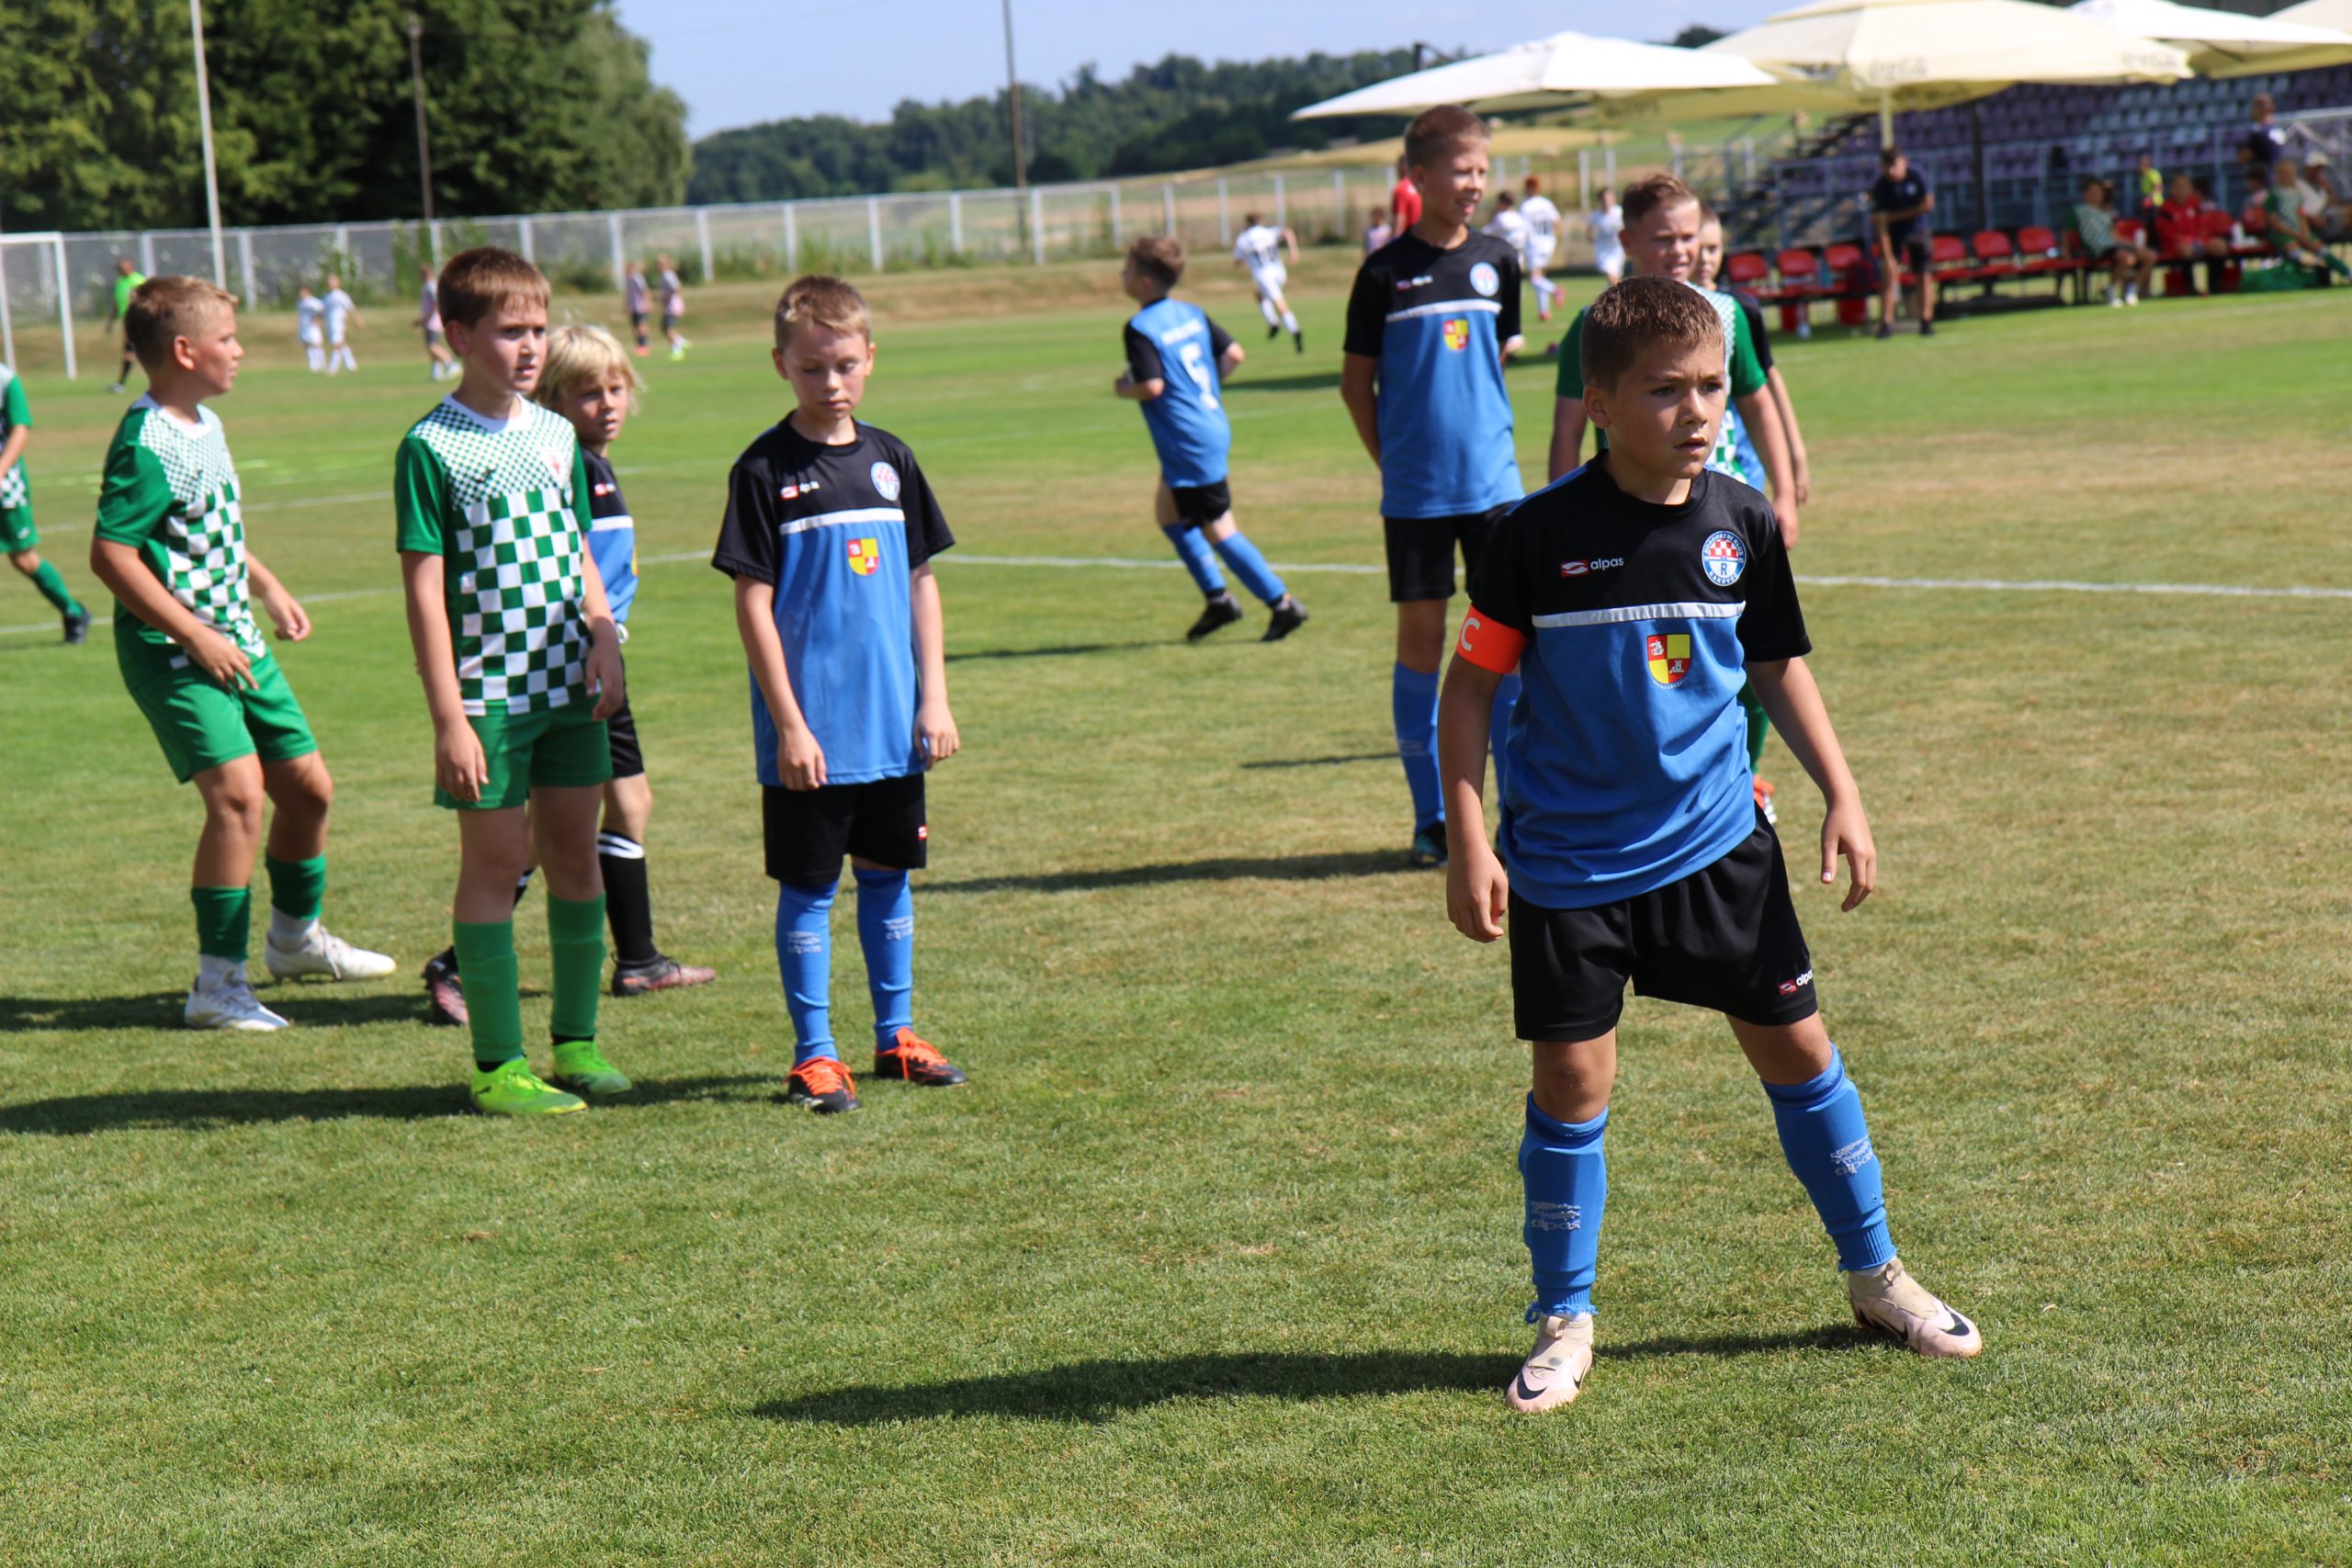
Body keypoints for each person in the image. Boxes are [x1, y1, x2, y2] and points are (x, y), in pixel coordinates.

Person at [1437, 275, 1983, 1413]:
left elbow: (1778, 665)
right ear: (1597, 403)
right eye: (1663, 390)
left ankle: (1877, 1274)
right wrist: (1468, 836)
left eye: (1709, 386)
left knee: (1800, 1054)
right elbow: (1470, 686)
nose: (1695, 410)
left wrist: (1842, 792)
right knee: (1570, 1081)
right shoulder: (1531, 538)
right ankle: (1564, 1316)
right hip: (1568, 865)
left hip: (1717, 847)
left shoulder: (1743, 521)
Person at [87, 276, 395, 1031]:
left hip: (237, 641)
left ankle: (294, 942)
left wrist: (267, 584)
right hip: (174, 651)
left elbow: (207, 528)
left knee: (309, 790)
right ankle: (217, 986)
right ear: (185, 350)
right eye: (228, 339)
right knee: (237, 797)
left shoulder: (203, 423)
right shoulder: (147, 440)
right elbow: (111, 554)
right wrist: (193, 633)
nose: (241, 350)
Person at [713, 275, 968, 1115]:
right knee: (811, 889)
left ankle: (896, 1037)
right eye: (812, 367)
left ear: (870, 359)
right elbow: (753, 603)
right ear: (780, 364)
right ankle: (815, 1057)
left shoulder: (893, 461)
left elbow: (921, 582)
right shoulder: (763, 470)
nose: (832, 383)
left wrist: (935, 696)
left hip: (894, 725)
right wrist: (790, 724)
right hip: (814, 733)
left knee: (889, 877)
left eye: (846, 365)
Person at [417, 324, 718, 1024]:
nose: (606, 404)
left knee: (619, 809)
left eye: (616, 388)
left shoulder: (591, 463)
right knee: (563, 829)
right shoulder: (564, 461)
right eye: (587, 393)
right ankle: (464, 964)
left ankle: (638, 958)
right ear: (552, 398)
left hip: (594, 662)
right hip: (563, 669)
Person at [393, 246, 631, 1117]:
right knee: (496, 865)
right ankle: (498, 1066)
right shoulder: (430, 446)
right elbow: (424, 592)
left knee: (575, 857)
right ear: (458, 336)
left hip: (568, 686)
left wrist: (603, 637)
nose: (530, 346)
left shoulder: (558, 433)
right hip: (488, 698)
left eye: (538, 328)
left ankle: (578, 1043)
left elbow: (577, 549)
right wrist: (449, 717)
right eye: (509, 331)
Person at [1340, 104, 1525, 871]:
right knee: (1422, 645)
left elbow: (1493, 362)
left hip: (1495, 489)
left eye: (1482, 169)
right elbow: (1356, 386)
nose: (1475, 183)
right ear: (1418, 176)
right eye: (1460, 170)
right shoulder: (1381, 273)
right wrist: (1394, 462)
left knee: (1506, 650)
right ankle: (1432, 817)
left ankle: (1517, 813)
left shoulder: (1500, 260)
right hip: (1417, 496)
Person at [1115, 235, 1307, 644]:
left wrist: (1123, 388)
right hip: (1208, 424)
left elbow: (1151, 386)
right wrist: (1203, 392)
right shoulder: (1191, 312)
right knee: (1168, 515)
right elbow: (1234, 354)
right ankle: (1218, 599)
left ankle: (1282, 603)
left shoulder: (1140, 328)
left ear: (1145, 281)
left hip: (1188, 440)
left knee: (1218, 529)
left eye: (1127, 269)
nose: (1122, 274)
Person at [0, 360, 93, 643]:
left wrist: (1, 470)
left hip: (6, 490)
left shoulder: (5, 380)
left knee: (23, 559)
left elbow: (20, 429)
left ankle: (73, 611)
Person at [1870, 147, 1936, 337]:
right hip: (1894, 235)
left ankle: (1926, 321)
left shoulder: (1916, 176)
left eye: (1895, 166)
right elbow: (1880, 223)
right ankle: (1886, 324)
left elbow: (1927, 205)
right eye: (1887, 167)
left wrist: (1893, 217)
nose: (1892, 171)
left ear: (1903, 163)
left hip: (1918, 231)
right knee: (1888, 276)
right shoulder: (1881, 187)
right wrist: (1888, 257)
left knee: (1923, 276)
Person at [2071, 179, 2156, 306]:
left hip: (2113, 245)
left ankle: (2132, 290)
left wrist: (2134, 246)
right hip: (2097, 247)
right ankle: (2111, 291)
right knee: (2128, 259)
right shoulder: (2078, 212)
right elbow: (2068, 234)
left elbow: (2114, 234)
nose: (2095, 195)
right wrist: (2067, 254)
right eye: (2092, 192)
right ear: (2085, 194)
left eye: (2098, 192)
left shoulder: (2105, 213)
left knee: (2150, 256)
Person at [1231, 212, 1304, 353]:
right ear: (1260, 221)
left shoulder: (1243, 238)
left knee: (1279, 304)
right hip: (1279, 271)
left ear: (1247, 223)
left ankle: (1295, 331)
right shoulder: (1268, 232)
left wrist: (1241, 261)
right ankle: (1273, 323)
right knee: (1259, 295)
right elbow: (1288, 232)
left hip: (1264, 275)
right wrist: (1293, 251)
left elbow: (1237, 261)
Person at [1520, 175, 1563, 323]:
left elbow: (1523, 228)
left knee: (1534, 279)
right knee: (1540, 276)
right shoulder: (1546, 203)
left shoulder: (1526, 206)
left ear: (1529, 188)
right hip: (1548, 243)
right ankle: (1544, 311)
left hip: (1534, 244)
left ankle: (1555, 290)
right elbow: (1557, 222)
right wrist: (1554, 236)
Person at [105, 257, 148, 394]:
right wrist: (110, 321)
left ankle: (121, 384)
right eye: (120, 267)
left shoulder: (138, 281)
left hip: (139, 320)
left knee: (134, 352)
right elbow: (117, 304)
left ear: (132, 266)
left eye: (124, 266)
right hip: (128, 320)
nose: (121, 269)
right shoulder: (120, 282)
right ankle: (121, 384)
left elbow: (147, 301)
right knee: (131, 352)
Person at [322, 274, 361, 375]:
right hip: (329, 324)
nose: (330, 283)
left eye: (332, 281)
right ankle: (351, 365)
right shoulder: (326, 296)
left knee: (337, 344)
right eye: (329, 282)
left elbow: (351, 308)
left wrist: (358, 320)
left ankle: (333, 368)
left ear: (338, 283)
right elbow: (323, 311)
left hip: (339, 323)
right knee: (341, 343)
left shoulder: (341, 295)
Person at [417, 274, 454, 382]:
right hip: (431, 321)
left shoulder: (430, 286)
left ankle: (450, 364)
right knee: (432, 346)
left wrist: (427, 317)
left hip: (432, 322)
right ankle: (437, 372)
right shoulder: (431, 285)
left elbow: (436, 303)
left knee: (432, 346)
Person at [1587, 186, 1626, 284]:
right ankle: (1622, 292)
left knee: (1614, 277)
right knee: (1609, 273)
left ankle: (1618, 292)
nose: (1606, 202)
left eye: (1609, 199)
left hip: (1617, 249)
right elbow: (1589, 231)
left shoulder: (1619, 212)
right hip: (1602, 249)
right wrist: (1591, 238)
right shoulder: (1595, 215)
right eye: (1604, 199)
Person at [2240, 92, 2286, 175]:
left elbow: (2243, 158)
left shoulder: (2258, 131)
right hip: (2279, 176)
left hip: (2264, 178)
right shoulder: (2280, 130)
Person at [657, 256, 689, 359]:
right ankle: (680, 341)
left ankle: (677, 350)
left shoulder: (668, 275)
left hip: (672, 306)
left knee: (668, 329)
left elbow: (676, 288)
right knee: (663, 328)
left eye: (661, 264)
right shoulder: (665, 275)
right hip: (669, 306)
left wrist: (666, 296)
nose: (658, 266)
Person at [294, 286, 327, 373]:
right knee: (307, 345)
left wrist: (318, 319)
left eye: (303, 291)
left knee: (316, 344)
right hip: (304, 326)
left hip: (312, 326)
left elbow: (322, 311)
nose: (301, 294)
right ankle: (313, 364)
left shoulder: (314, 302)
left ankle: (321, 363)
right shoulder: (300, 302)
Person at [624, 261, 652, 357]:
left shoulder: (637, 278)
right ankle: (639, 346)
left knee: (641, 326)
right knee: (636, 327)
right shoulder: (628, 280)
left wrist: (648, 303)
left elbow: (644, 291)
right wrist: (626, 305)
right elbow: (628, 294)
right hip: (633, 307)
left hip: (640, 306)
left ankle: (645, 345)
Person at [1390, 156, 1423, 234]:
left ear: (1402, 167)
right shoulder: (1421, 185)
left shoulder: (1401, 188)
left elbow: (1400, 218)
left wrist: (1395, 238)